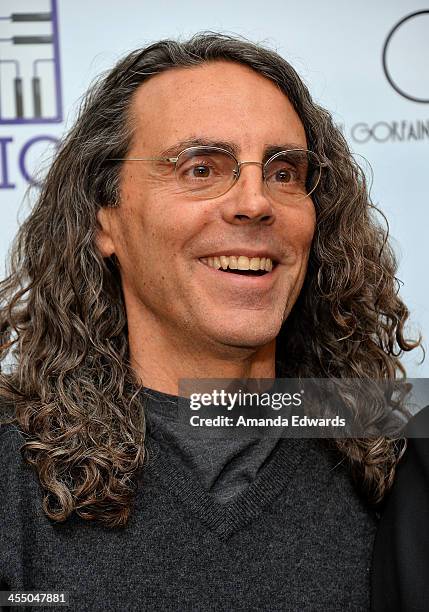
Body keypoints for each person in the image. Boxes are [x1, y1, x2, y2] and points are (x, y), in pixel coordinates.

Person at [0, 32, 421, 611]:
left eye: (283, 173)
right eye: (201, 169)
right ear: (104, 222)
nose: (254, 202)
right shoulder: (11, 472)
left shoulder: (392, 464)